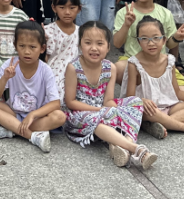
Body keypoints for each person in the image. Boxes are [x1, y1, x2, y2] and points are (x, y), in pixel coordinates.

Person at [64, 21, 154, 169]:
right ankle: (135, 148)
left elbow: (108, 100)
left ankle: (120, 144)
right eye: (88, 43)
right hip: (80, 114)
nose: (94, 48)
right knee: (99, 120)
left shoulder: (110, 67)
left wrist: (118, 111)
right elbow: (70, 102)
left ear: (108, 47)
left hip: (104, 109)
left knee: (136, 102)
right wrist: (102, 111)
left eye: (100, 43)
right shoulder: (73, 67)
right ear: (80, 45)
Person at [125, 17, 184, 138]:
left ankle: (159, 124)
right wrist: (142, 100)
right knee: (152, 112)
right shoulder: (134, 63)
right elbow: (129, 97)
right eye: (144, 39)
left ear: (164, 40)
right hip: (149, 110)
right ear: (138, 42)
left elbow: (177, 92)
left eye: (156, 38)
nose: (151, 43)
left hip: (169, 107)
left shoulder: (169, 60)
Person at [0, 21, 65, 153]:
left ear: (42, 48)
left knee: (60, 117)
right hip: (13, 112)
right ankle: (32, 136)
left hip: (36, 117)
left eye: (32, 47)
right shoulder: (9, 65)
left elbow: (56, 104)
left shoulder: (45, 70)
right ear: (15, 45)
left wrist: (33, 114)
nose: (27, 51)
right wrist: (5, 78)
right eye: (22, 46)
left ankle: (11, 130)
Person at [112, 0, 184, 86]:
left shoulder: (165, 13)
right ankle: (143, 90)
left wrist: (176, 38)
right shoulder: (124, 12)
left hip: (159, 62)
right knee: (117, 69)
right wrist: (126, 25)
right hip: (132, 60)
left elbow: (169, 44)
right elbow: (117, 44)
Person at [44, 0, 81, 101]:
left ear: (79, 9)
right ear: (54, 8)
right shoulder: (48, 31)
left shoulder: (82, 32)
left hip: (77, 70)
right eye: (62, 7)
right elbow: (45, 59)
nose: (67, 12)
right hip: (54, 70)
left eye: (72, 8)